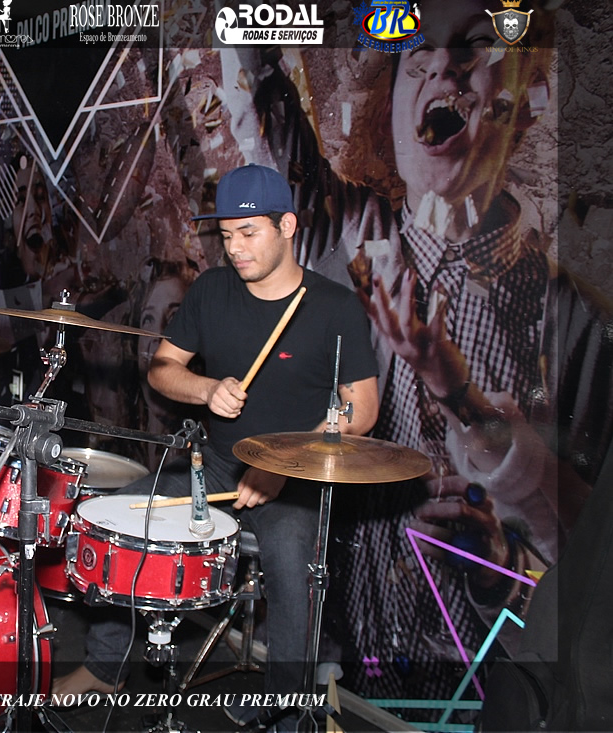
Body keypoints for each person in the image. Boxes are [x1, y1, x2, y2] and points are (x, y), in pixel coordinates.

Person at [227, 1, 612, 702]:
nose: (443, 65)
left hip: (483, 697)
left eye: (475, 46)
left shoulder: (578, 324)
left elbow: (586, 558)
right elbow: (270, 117)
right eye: (418, 53)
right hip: (348, 679)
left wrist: (502, 562)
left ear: (524, 102)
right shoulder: (349, 238)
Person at [53, 165, 380, 730]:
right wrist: (205, 389)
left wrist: (286, 466)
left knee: (293, 564)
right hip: (218, 464)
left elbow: (364, 410)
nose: (235, 249)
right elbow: (162, 369)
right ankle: (105, 668)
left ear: (287, 226)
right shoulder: (211, 291)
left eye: (248, 233)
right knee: (119, 516)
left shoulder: (334, 307)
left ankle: (285, 713)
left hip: (295, 480)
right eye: (227, 235)